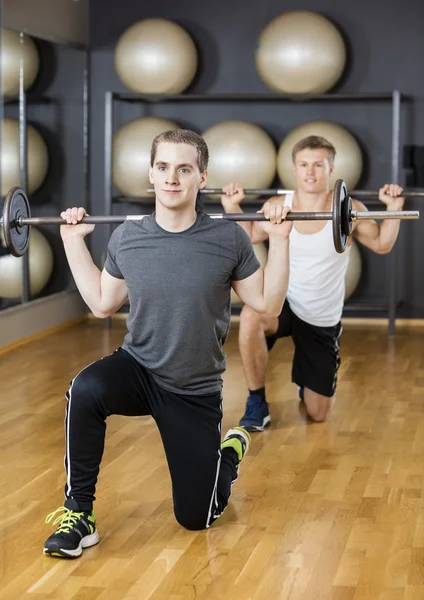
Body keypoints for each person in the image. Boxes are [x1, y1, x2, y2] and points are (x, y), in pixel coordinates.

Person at [43, 129, 293, 558]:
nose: (172, 178)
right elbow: (103, 303)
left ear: (202, 178)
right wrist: (71, 243)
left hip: (193, 388)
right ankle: (78, 513)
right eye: (163, 168)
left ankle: (228, 454)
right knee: (84, 389)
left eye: (184, 169)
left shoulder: (228, 238)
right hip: (139, 368)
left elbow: (267, 305)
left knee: (196, 519)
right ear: (151, 176)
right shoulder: (128, 237)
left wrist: (282, 241)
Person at [221, 135, 405, 430]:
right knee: (251, 315)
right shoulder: (279, 204)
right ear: (294, 168)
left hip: (321, 316)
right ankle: (257, 400)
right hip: (284, 303)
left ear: (331, 168)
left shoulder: (349, 208)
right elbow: (251, 236)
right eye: (304, 164)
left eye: (318, 165)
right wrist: (232, 206)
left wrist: (394, 208)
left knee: (318, 413)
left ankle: (307, 385)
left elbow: (382, 244)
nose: (310, 172)